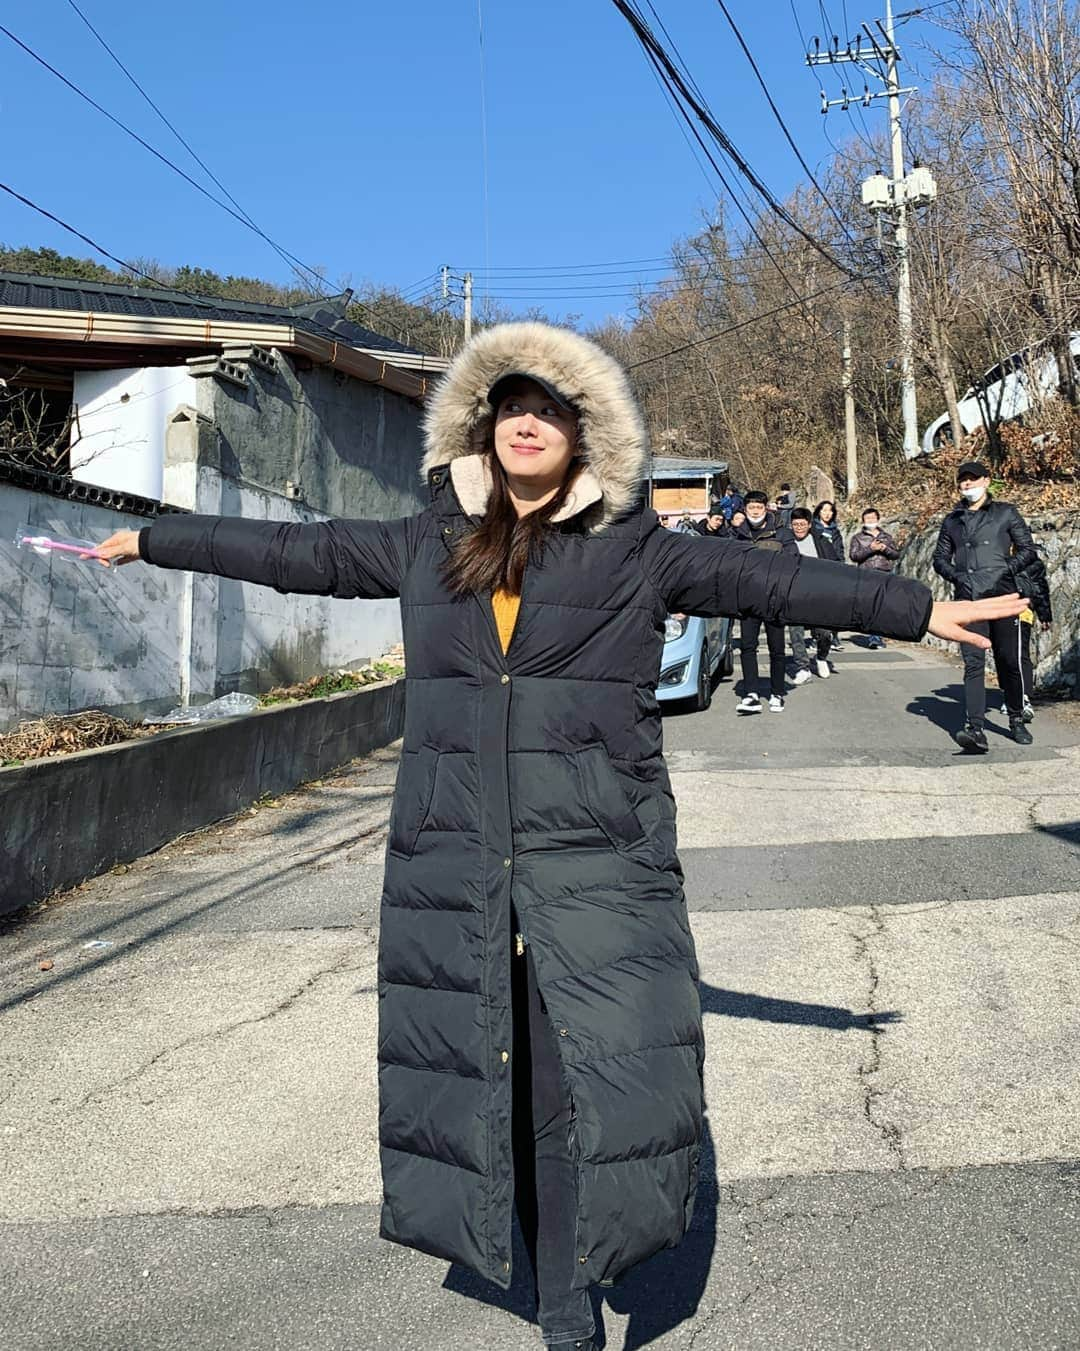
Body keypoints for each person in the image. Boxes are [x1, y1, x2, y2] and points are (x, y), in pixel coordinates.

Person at [97, 323, 1022, 1351]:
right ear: (482, 432)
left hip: (596, 865)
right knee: (504, 1084)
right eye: (510, 407)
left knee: (590, 1091)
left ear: (586, 437)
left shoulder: (633, 551)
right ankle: (555, 1298)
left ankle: (573, 1305)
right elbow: (289, 552)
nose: (527, 421)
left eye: (550, 409)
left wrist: (915, 606)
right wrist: (156, 537)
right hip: (460, 867)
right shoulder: (425, 544)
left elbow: (771, 582)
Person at [933, 460, 1038, 752]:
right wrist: (958, 577)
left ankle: (1016, 718)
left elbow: (1028, 549)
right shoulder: (952, 520)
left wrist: (1004, 570)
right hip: (968, 600)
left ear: (987, 481)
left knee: (1009, 660)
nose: (967, 485)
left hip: (1004, 597)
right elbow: (939, 558)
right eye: (963, 480)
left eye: (973, 479)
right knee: (974, 663)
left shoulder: (1006, 512)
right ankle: (975, 728)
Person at [732, 492, 796, 712]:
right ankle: (751, 693)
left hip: (774, 599)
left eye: (759, 507)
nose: (756, 511)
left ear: (766, 508)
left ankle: (777, 693)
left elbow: (793, 563)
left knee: (776, 648)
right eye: (751, 507)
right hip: (748, 599)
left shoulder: (782, 533)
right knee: (747, 646)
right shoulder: (738, 534)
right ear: (745, 510)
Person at [788, 508, 839, 681]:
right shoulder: (787, 543)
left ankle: (821, 657)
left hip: (818, 595)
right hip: (794, 595)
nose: (799, 528)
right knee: (796, 632)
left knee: (824, 633)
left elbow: (835, 566)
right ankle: (802, 667)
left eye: (802, 524)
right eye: (795, 524)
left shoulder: (822, 543)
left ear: (810, 525)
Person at [1005, 548, 1052, 721]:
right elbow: (1041, 588)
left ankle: (1021, 697)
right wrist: (1045, 614)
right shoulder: (1034, 561)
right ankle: (1019, 696)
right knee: (1016, 654)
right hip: (1015, 611)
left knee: (1015, 654)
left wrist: (1045, 614)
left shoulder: (1003, 557)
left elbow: (1040, 588)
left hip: (1014, 610)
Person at [849, 508, 901, 648]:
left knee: (882, 605)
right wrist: (870, 548)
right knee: (870, 605)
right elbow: (854, 556)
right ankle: (874, 636)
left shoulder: (887, 537)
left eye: (872, 518)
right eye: (867, 519)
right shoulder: (858, 538)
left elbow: (896, 554)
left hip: (884, 573)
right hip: (866, 574)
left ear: (878, 519)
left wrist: (885, 549)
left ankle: (877, 636)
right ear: (863, 521)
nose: (870, 521)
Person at [811, 500, 845, 650]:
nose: (827, 513)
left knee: (834, 605)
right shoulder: (813, 529)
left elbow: (840, 550)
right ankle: (816, 637)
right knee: (816, 606)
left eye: (830, 511)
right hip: (817, 571)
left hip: (835, 570)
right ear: (818, 511)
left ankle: (834, 636)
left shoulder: (835, 530)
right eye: (824, 510)